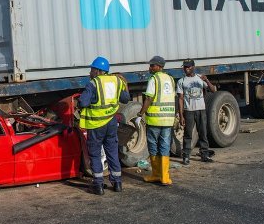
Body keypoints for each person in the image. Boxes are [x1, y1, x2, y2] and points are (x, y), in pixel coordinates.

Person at [78, 57, 129, 195]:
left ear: (98, 71)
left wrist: (82, 100)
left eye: (92, 69)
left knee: (95, 154)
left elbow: (83, 103)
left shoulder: (93, 84)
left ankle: (98, 185)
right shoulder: (117, 81)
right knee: (112, 151)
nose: (90, 72)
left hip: (96, 124)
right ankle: (117, 183)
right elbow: (125, 99)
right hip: (111, 122)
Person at [136, 56, 176, 186]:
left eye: (152, 65)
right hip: (168, 119)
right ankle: (165, 177)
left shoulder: (154, 79)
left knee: (153, 146)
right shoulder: (170, 79)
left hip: (155, 119)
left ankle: (156, 174)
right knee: (164, 146)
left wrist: (140, 114)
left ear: (159, 66)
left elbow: (148, 98)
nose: (150, 68)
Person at [177, 59, 217, 164]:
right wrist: (181, 115)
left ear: (193, 67)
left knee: (203, 133)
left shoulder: (200, 78)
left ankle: (204, 155)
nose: (186, 69)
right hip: (188, 110)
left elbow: (213, 90)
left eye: (188, 67)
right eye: (185, 67)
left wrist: (207, 80)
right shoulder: (181, 81)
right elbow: (180, 99)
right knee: (188, 134)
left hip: (201, 110)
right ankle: (186, 156)